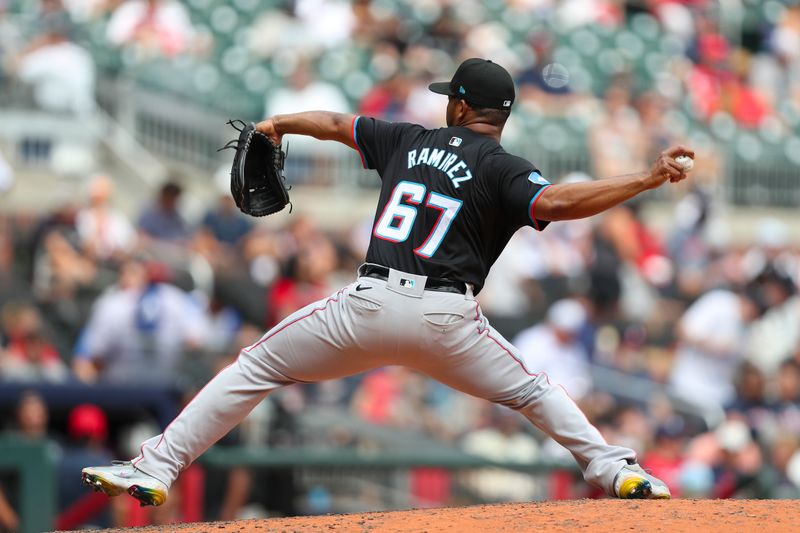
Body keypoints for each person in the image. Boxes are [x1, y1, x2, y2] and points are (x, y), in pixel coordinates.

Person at [82, 58, 693, 505]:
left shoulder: (407, 139)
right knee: (532, 391)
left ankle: (157, 468)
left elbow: (332, 121)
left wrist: (276, 124)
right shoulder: (506, 168)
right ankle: (617, 471)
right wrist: (643, 179)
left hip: (368, 306)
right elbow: (558, 202)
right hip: (447, 320)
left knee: (256, 368)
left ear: (457, 105)